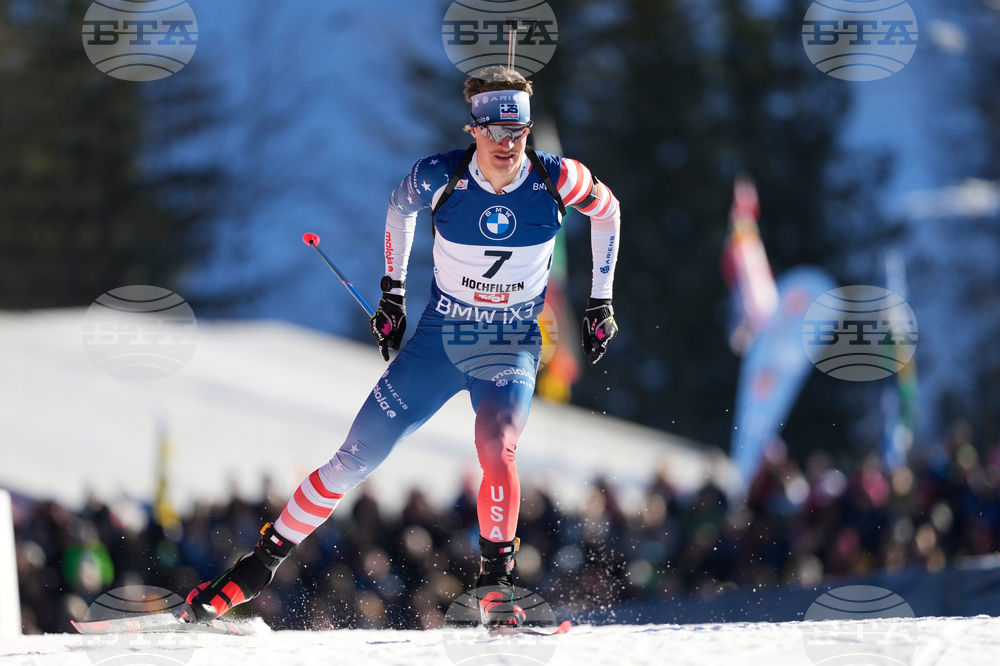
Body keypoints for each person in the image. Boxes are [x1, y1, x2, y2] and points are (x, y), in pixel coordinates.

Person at [186, 66, 621, 629]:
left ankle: (496, 590)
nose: (506, 144)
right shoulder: (440, 175)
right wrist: (392, 297)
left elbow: (607, 212)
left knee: (498, 448)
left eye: (517, 131)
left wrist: (599, 300)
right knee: (353, 460)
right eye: (493, 130)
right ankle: (252, 571)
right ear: (473, 128)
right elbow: (399, 210)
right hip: (443, 338)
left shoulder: (557, 177)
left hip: (508, 342)